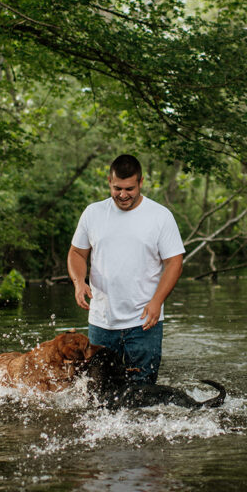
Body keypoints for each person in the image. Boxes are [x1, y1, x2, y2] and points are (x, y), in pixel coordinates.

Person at [67, 154, 185, 384]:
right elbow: (77, 253)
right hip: (102, 322)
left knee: (142, 394)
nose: (122, 195)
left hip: (144, 321)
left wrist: (157, 301)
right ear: (109, 183)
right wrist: (79, 282)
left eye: (129, 188)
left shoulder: (160, 216)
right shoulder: (93, 213)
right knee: (97, 394)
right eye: (117, 188)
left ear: (141, 182)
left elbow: (174, 263)